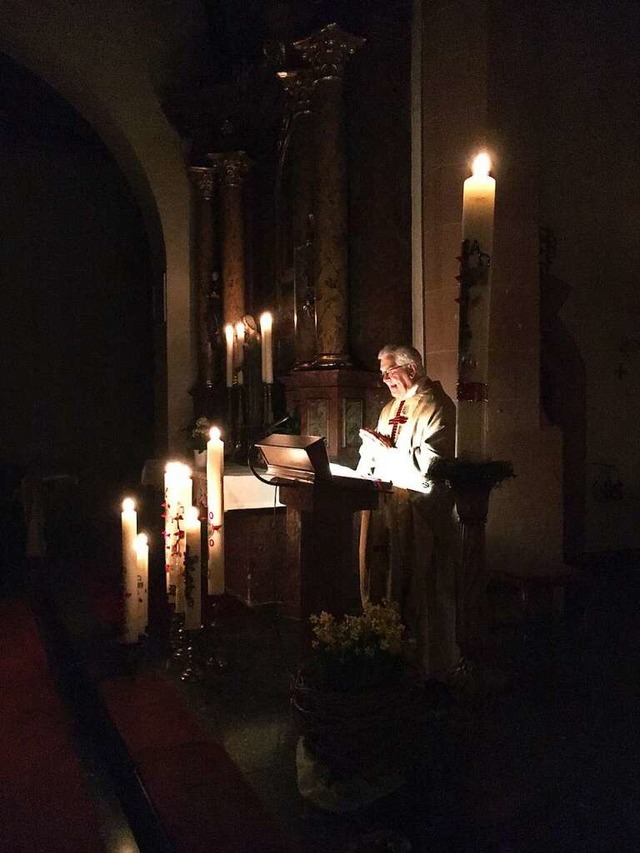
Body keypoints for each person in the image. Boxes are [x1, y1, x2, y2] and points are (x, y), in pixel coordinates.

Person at [357, 344, 460, 678]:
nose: (386, 380)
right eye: (383, 374)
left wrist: (387, 454)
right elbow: (374, 458)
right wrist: (371, 454)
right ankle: (391, 660)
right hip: (390, 510)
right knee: (389, 583)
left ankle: (431, 668)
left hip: (423, 515)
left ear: (412, 369)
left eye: (390, 372)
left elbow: (431, 467)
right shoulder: (389, 409)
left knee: (424, 588)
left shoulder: (438, 407)